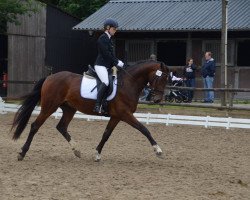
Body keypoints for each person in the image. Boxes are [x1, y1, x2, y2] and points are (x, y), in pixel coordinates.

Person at [93, 18, 124, 113]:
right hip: (100, 65)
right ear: (108, 28)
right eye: (114, 29)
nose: (115, 30)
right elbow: (106, 54)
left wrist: (118, 61)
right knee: (106, 82)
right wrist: (116, 62)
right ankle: (97, 105)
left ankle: (106, 104)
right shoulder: (103, 38)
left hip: (107, 66)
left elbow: (111, 55)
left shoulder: (109, 40)